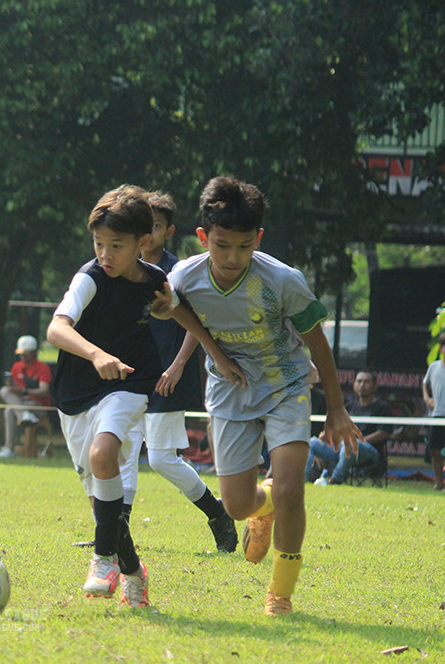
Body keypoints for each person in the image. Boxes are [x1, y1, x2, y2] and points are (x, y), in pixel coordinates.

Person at [167, 176, 361, 616]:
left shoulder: (282, 280)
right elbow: (175, 306)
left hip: (285, 386)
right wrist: (215, 352)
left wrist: (336, 407)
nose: (232, 257)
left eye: (243, 246)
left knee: (294, 488)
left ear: (258, 238)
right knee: (236, 507)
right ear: (203, 238)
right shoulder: (184, 276)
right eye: (221, 246)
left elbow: (318, 343)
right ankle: (265, 500)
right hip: (229, 391)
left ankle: (281, 593)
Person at [47, 184, 245, 607]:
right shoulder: (90, 277)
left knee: (105, 456)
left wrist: (216, 354)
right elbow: (57, 329)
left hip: (132, 381)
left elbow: (178, 311)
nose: (105, 254)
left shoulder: (155, 279)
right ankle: (133, 571)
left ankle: (103, 560)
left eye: (115, 245)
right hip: (77, 390)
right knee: (105, 504)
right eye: (98, 243)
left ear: (143, 243)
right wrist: (96, 354)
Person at [129, 192, 237, 553]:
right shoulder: (123, 265)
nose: (148, 232)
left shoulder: (177, 272)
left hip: (164, 375)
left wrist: (177, 365)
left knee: (160, 459)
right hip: (129, 374)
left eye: (156, 226)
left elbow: (196, 322)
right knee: (122, 453)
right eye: (143, 224)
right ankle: (113, 534)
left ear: (169, 231)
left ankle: (217, 513)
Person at [306, 370, 392, 484]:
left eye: (366, 382)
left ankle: (335, 479)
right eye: (359, 381)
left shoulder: (382, 407)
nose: (362, 385)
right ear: (354, 385)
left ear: (375, 386)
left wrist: (356, 441)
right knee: (311, 443)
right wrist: (323, 438)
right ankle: (301, 480)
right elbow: (334, 427)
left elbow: (383, 434)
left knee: (350, 444)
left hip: (369, 451)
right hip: (342, 447)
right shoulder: (349, 406)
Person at [0, 335, 52, 458]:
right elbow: (14, 388)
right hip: (21, 402)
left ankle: (24, 415)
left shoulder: (43, 368)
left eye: (25, 354)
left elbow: (43, 391)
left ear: (34, 353)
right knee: (4, 392)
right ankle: (9, 448)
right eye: (21, 354)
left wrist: (25, 392)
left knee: (10, 409)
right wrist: (12, 386)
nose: (22, 357)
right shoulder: (17, 366)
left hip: (37, 405)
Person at [422, 331, 445, 492]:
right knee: (434, 449)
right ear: (441, 349)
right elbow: (425, 383)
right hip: (436, 415)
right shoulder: (434, 367)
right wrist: (426, 398)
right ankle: (438, 483)